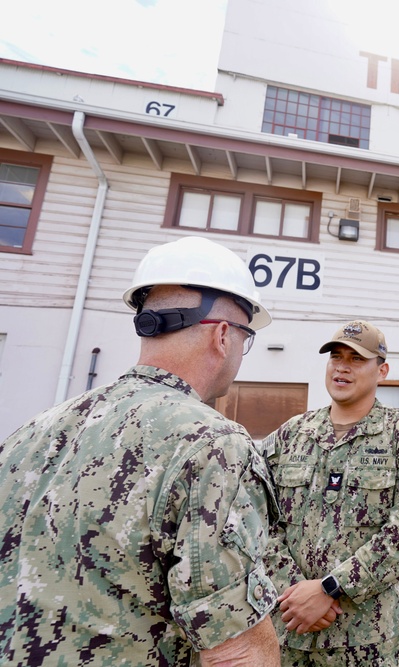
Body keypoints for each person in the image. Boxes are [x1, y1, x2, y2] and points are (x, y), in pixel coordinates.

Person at [0, 235, 280, 665]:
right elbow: (235, 649)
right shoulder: (212, 443)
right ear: (223, 335)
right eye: (246, 336)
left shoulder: (33, 431)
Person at [263, 320, 399, 666]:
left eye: (357, 359)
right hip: (290, 630)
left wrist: (331, 589)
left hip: (369, 640)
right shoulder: (290, 435)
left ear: (382, 370)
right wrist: (296, 593)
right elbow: (259, 521)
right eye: (336, 357)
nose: (342, 366)